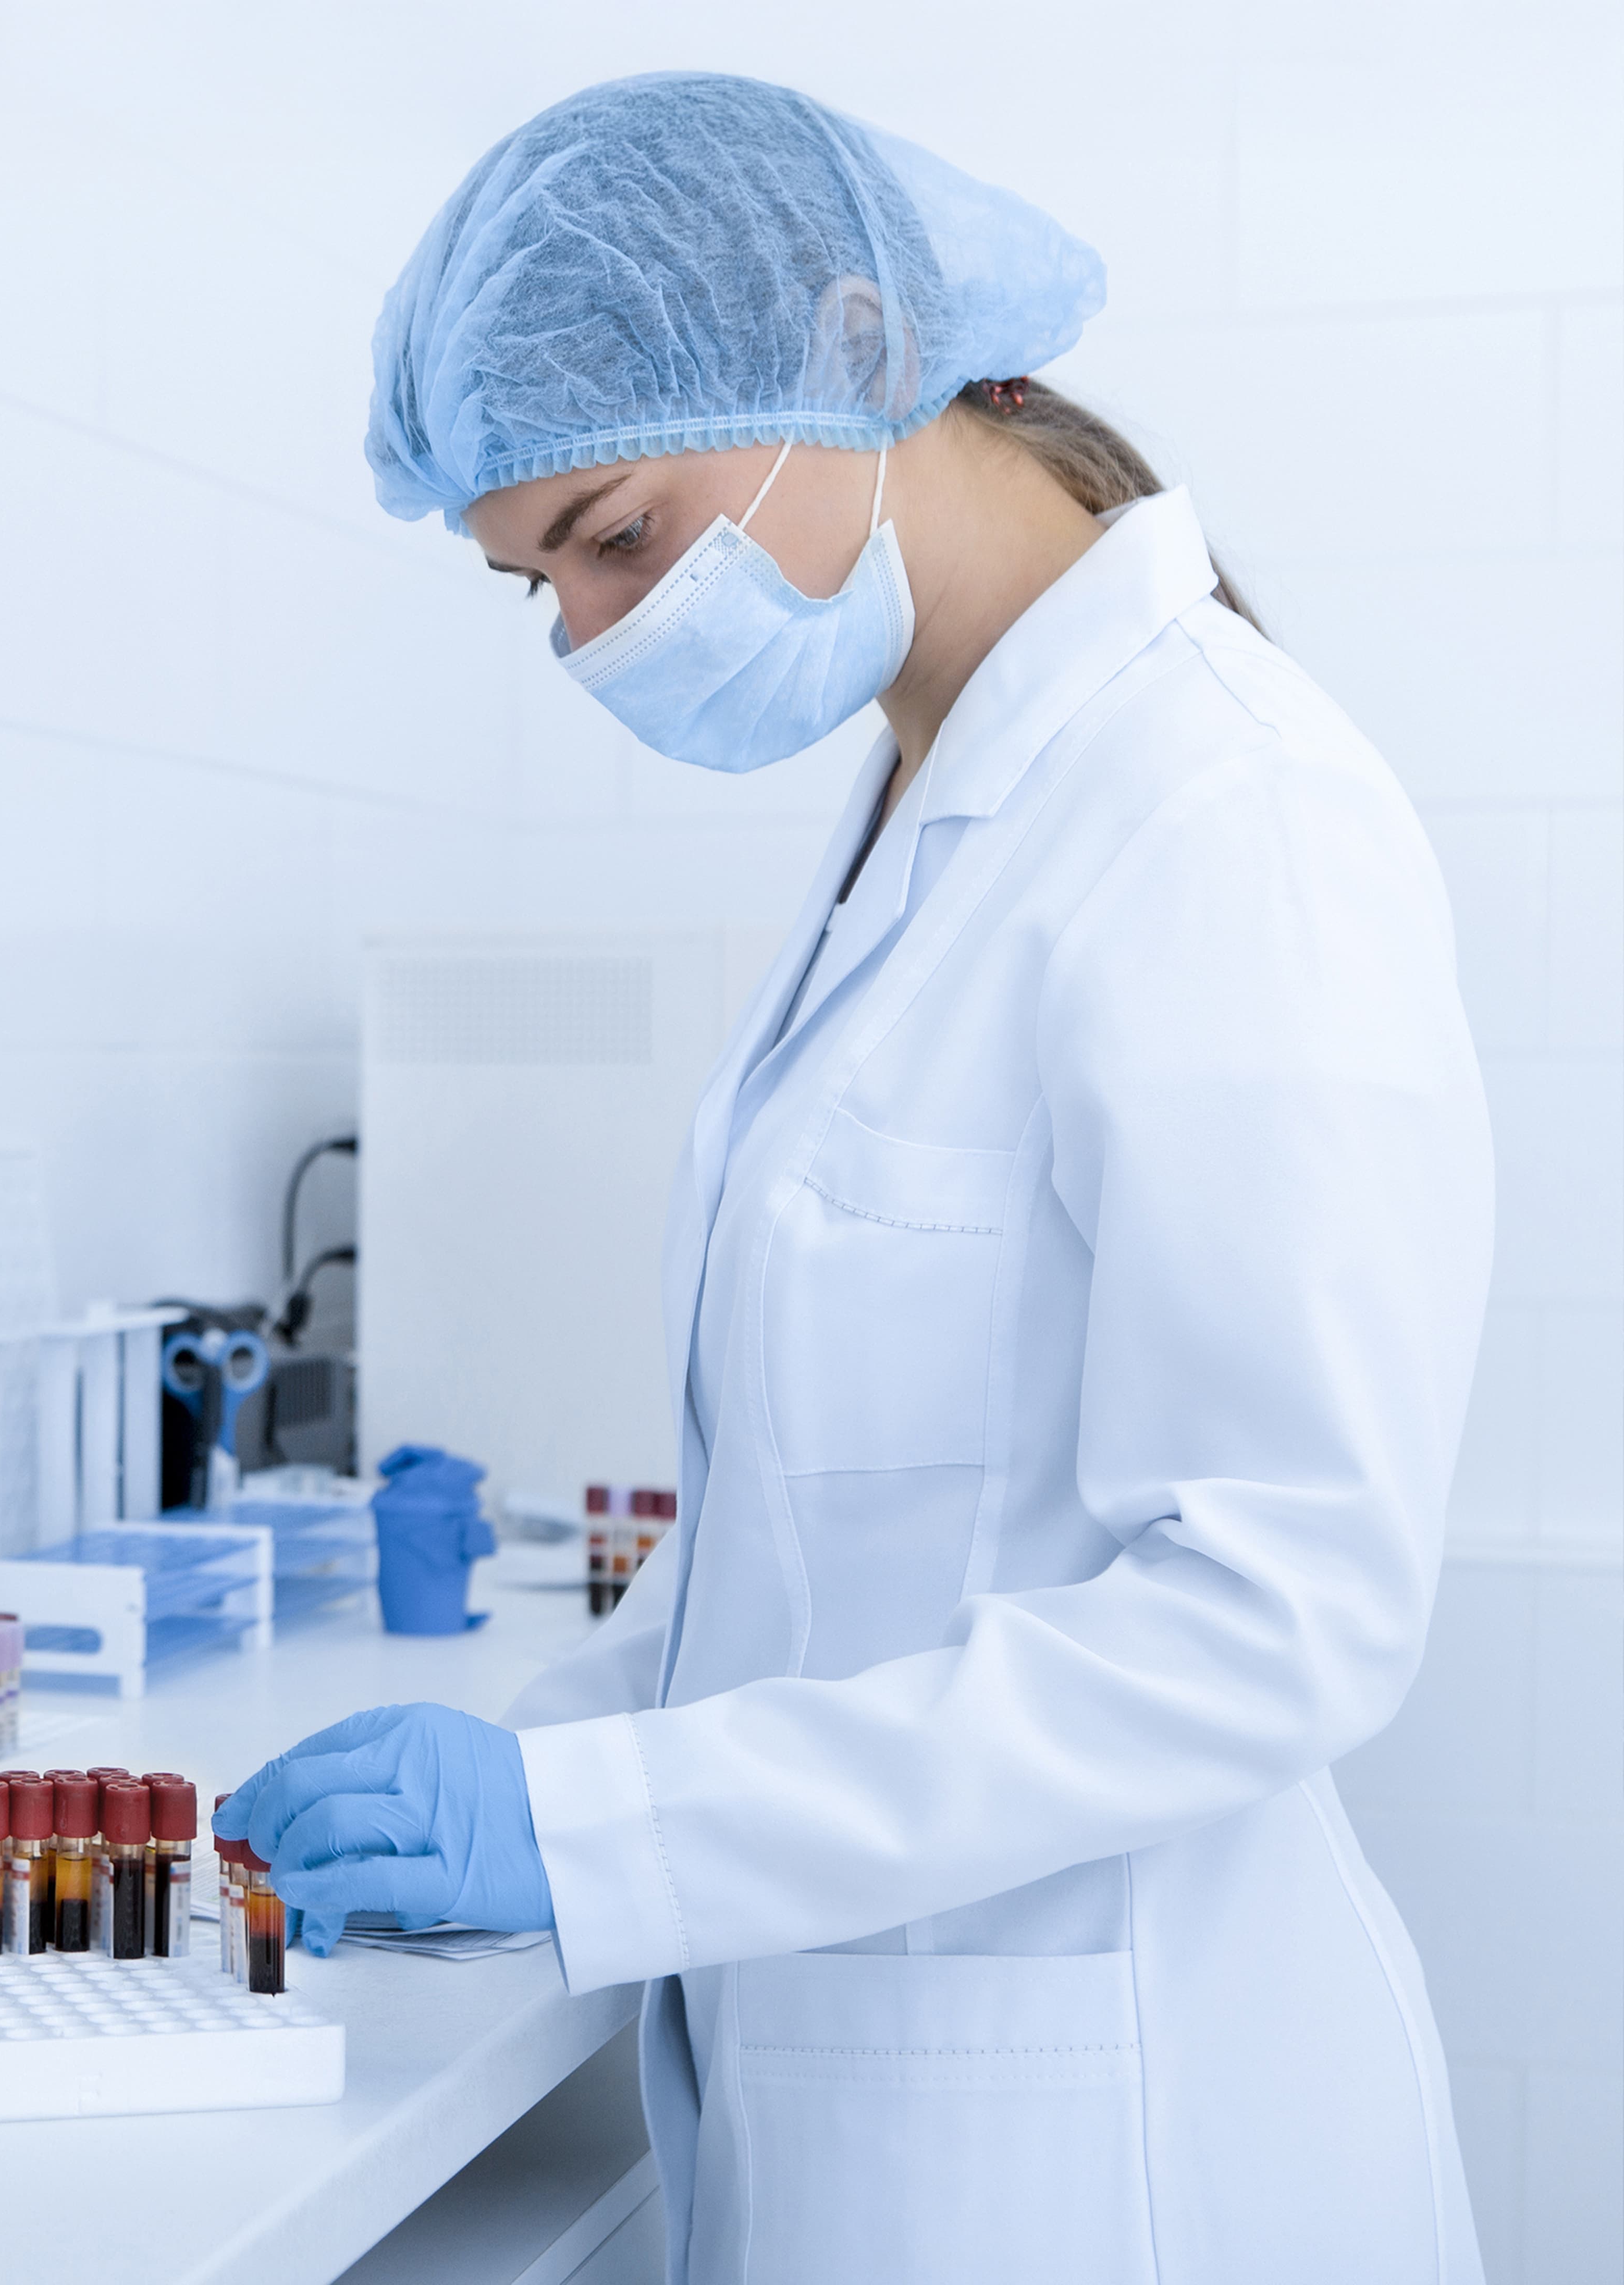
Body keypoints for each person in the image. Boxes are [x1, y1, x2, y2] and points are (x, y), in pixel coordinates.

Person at [217, 73, 1492, 2284]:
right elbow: (828, 1528)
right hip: (875, 2120)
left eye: (615, 534)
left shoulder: (1222, 813)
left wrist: (598, 1822)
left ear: (853, 348)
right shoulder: (929, 799)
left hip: (1123, 2169)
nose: (596, 635)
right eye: (538, 586)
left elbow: (1280, 1617)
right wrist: (555, 1751)